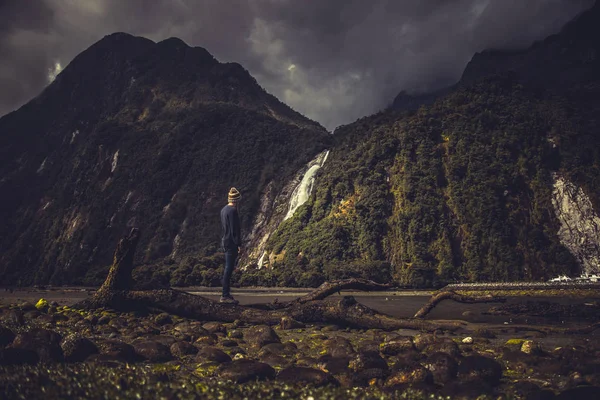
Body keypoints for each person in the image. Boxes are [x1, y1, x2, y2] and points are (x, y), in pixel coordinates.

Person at [220, 187, 242, 304]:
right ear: (236, 200)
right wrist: (238, 244)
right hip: (231, 242)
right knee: (228, 269)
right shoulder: (233, 211)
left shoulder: (223, 210)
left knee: (228, 268)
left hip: (225, 241)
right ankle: (225, 295)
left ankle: (226, 293)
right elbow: (234, 230)